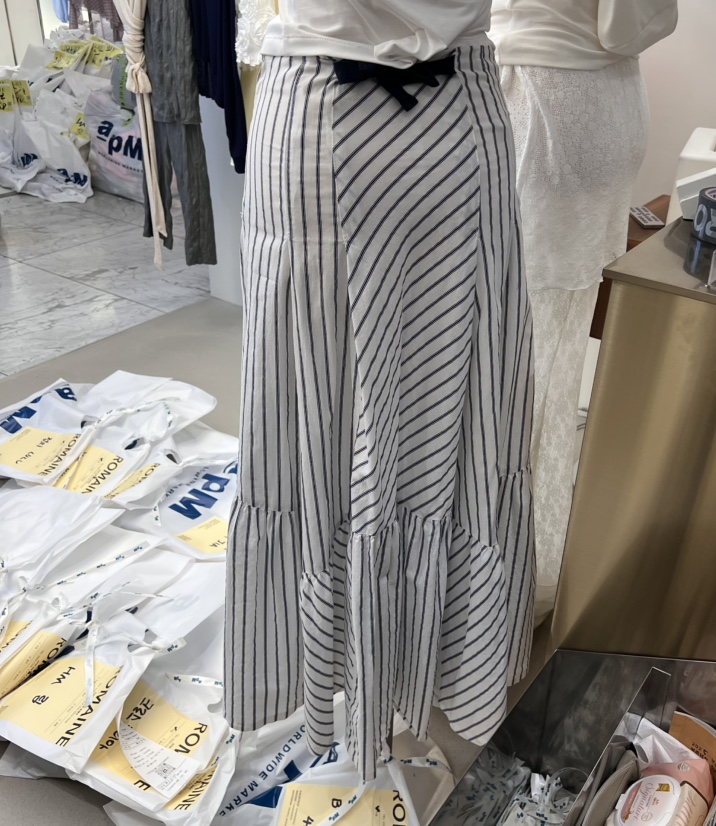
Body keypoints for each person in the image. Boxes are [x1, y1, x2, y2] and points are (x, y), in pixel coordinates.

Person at [224, 0, 536, 781]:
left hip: (344, 110)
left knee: (342, 419)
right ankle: (422, 685)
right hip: (437, 111)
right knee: (443, 422)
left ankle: (368, 682)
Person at [489, 0, 678, 622]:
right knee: (544, 355)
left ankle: (489, 577)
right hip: (588, 106)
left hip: (543, 107)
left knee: (504, 358)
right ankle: (516, 565)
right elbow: (631, 23)